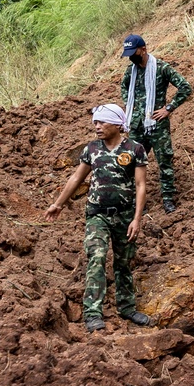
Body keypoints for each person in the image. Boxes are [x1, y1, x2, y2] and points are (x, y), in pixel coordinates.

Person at [45, 104, 153, 333]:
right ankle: (92, 313)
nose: (97, 126)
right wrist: (58, 204)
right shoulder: (91, 149)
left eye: (101, 122)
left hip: (125, 215)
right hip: (97, 214)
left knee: (124, 263)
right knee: (97, 256)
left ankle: (127, 307)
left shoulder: (135, 149)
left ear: (116, 124)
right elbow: (76, 178)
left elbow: (141, 185)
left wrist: (137, 219)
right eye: (95, 122)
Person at [120, 34, 193, 214]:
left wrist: (168, 108)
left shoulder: (161, 68)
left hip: (157, 124)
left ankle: (168, 199)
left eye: (133, 52)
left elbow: (185, 87)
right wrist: (133, 106)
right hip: (136, 125)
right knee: (133, 162)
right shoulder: (131, 71)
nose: (130, 56)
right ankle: (138, 202)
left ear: (143, 49)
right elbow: (124, 87)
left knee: (164, 161)